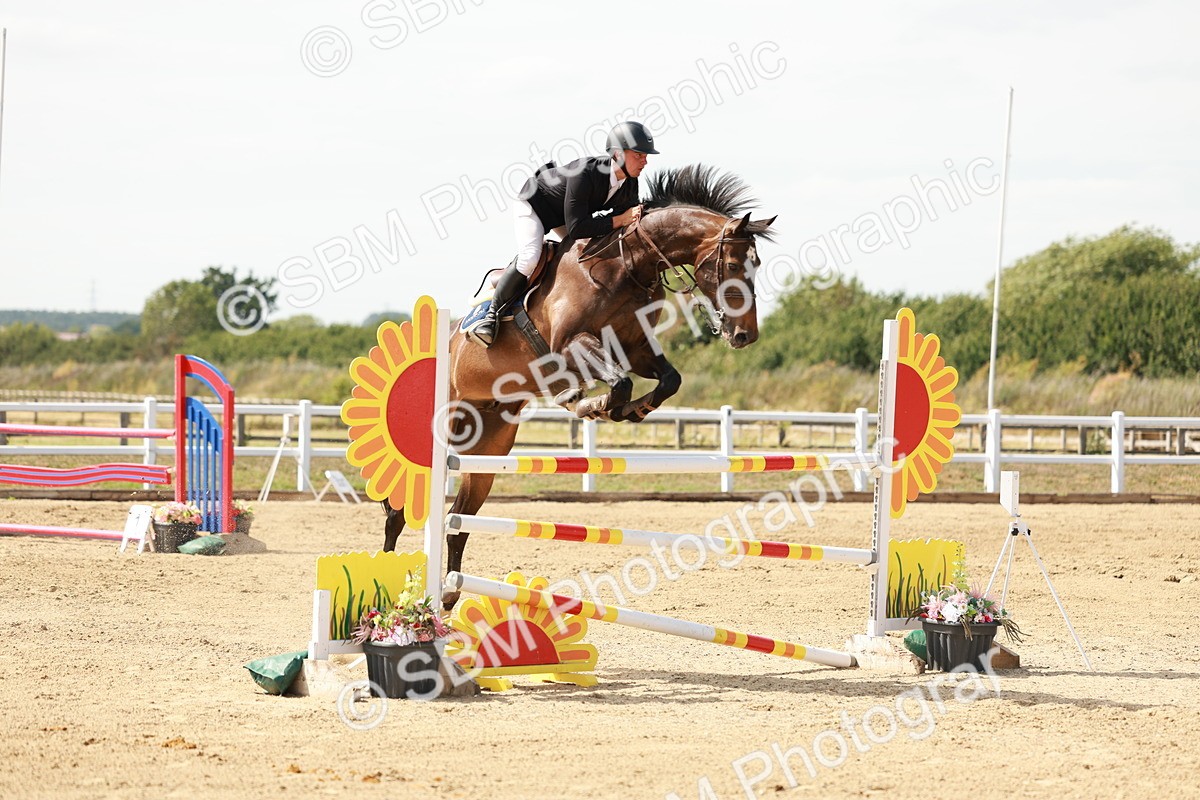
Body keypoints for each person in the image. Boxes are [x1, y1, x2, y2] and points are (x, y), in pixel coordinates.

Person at [472, 120, 659, 347]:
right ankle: (491, 317)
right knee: (530, 256)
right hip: (536, 205)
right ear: (618, 154)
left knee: (589, 256)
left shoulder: (629, 182)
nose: (645, 161)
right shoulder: (586, 173)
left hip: (568, 214)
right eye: (639, 155)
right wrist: (619, 219)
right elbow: (578, 228)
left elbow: (625, 223)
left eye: (646, 156)